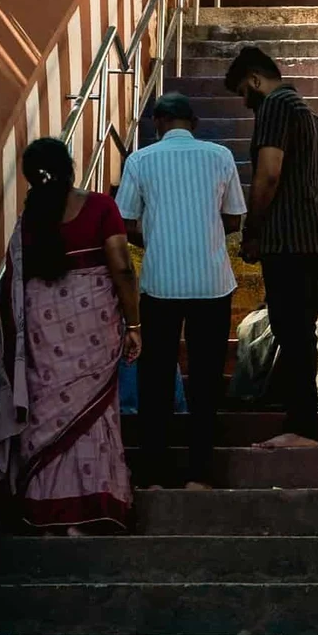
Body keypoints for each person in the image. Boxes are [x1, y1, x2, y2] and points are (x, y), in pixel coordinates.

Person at [0, 138, 140, 534]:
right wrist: (135, 323)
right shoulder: (99, 207)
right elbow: (122, 267)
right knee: (94, 415)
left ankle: (46, 512)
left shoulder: (29, 220)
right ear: (69, 168)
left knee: (48, 414)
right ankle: (90, 509)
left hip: (43, 331)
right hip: (96, 324)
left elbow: (17, 283)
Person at [114, 92, 246, 490]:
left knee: (155, 381)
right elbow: (235, 218)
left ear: (157, 123)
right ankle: (200, 475)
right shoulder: (220, 156)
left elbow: (123, 223)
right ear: (193, 123)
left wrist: (156, 239)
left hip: (160, 285)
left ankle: (154, 474)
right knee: (206, 380)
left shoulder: (140, 160)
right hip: (212, 283)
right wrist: (202, 236)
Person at [224, 45, 318, 449]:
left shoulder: (274, 106)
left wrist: (252, 231)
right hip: (317, 237)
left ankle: (301, 427)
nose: (245, 101)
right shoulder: (309, 114)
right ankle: (304, 423)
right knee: (301, 334)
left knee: (291, 334)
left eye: (243, 91)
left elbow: (269, 174)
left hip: (287, 240)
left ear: (256, 79)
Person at [230, 250, 318, 410]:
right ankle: (249, 394)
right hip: (296, 344)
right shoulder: (288, 265)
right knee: (254, 321)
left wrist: (313, 318)